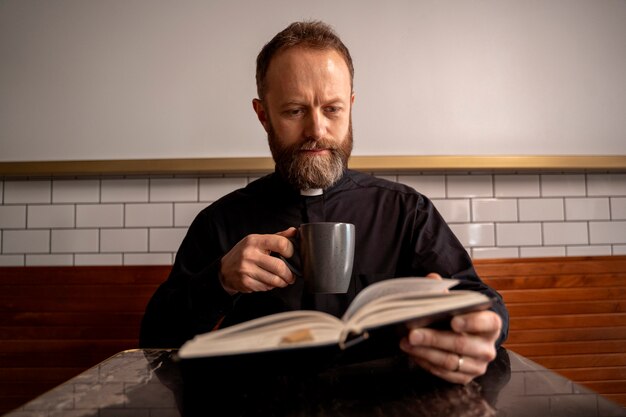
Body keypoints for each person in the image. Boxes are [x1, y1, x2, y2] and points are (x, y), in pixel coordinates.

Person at [140, 20, 509, 385]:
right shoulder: (219, 221)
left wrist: (482, 326)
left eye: (332, 109)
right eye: (295, 111)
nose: (316, 129)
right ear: (263, 114)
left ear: (350, 105)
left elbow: (477, 299)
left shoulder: (407, 211)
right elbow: (155, 339)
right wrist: (219, 280)